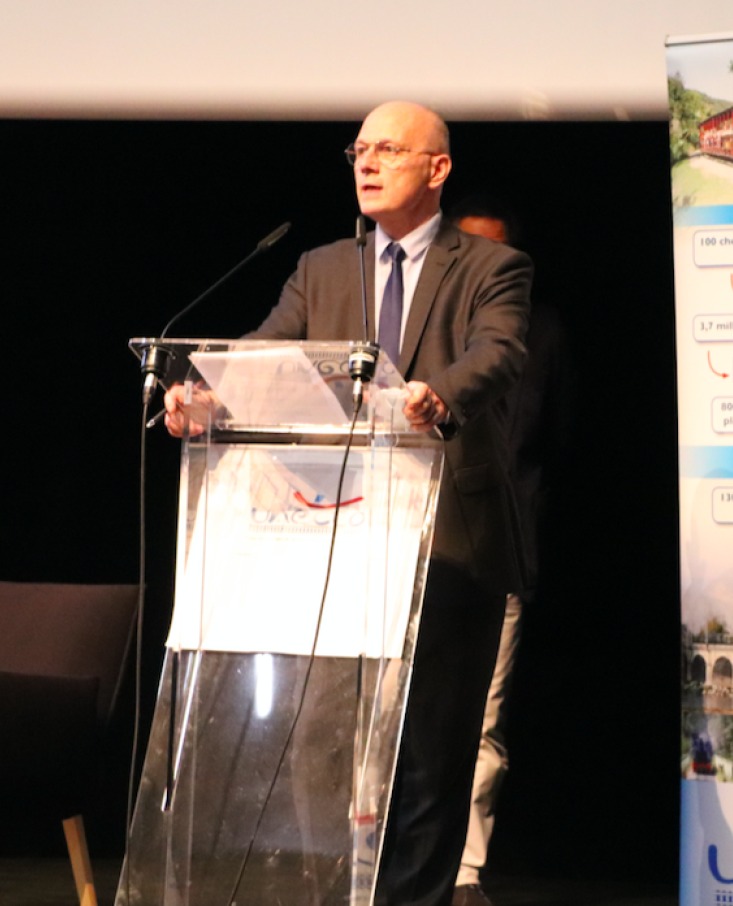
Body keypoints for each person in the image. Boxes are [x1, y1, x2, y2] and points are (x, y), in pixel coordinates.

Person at [165, 101, 532, 906]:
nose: (366, 164)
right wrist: (207, 401)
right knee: (329, 751)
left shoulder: (490, 267)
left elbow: (497, 352)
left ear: (436, 169)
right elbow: (266, 353)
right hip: (333, 542)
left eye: (389, 150)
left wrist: (440, 396)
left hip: (450, 548)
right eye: (359, 149)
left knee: (432, 759)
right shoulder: (322, 268)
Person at [448, 198, 572, 906]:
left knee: (482, 718)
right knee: (389, 708)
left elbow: (559, 437)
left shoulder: (542, 331)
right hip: (406, 547)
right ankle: (370, 852)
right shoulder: (412, 325)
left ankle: (466, 871)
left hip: (500, 548)